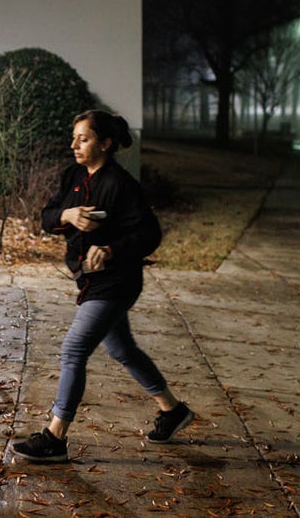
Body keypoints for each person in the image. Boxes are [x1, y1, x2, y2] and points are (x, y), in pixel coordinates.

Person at [11, 110, 194, 463]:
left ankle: (55, 436)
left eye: (84, 138)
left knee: (73, 350)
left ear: (105, 144)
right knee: (122, 349)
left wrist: (111, 249)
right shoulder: (74, 176)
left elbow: (150, 234)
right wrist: (67, 215)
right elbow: (47, 216)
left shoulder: (122, 185)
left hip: (117, 281)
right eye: (74, 138)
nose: (74, 145)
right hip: (89, 280)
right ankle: (172, 410)